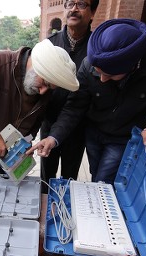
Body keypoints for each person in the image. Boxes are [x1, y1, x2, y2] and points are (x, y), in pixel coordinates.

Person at [28, 19, 146, 185]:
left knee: (104, 180)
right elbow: (74, 107)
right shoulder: (88, 65)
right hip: (94, 131)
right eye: (97, 72)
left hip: (124, 134)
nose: (101, 79)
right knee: (96, 174)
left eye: (110, 75)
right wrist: (53, 137)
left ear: (132, 66)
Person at [0, 39, 79, 176]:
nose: (43, 91)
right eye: (44, 83)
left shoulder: (44, 89)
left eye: (49, 87)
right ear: (36, 65)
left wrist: (26, 143)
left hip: (14, 157)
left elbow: (37, 119)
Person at [40, 0, 99, 192]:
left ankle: (65, 214)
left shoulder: (97, 48)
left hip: (78, 126)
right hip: (49, 123)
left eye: (81, 4)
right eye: (69, 3)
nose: (74, 8)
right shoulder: (49, 45)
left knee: (70, 176)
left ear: (93, 12)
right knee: (46, 177)